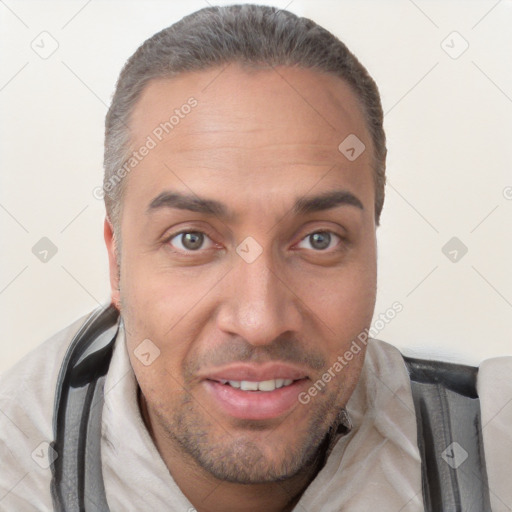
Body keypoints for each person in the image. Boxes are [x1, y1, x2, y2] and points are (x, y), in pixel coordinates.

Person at [1, 4, 510, 512]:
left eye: (319, 240)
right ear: (117, 263)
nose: (260, 321)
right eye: (192, 240)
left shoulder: (492, 447)